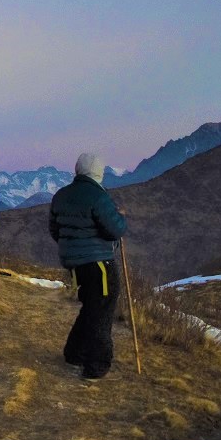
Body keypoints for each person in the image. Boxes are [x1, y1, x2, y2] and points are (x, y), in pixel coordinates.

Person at [48, 152, 129, 380]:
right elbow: (115, 229)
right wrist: (120, 216)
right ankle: (97, 365)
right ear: (98, 173)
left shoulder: (61, 196)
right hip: (99, 263)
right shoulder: (98, 196)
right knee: (102, 311)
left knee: (91, 308)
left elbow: (55, 230)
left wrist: (73, 247)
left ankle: (74, 353)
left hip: (75, 264)